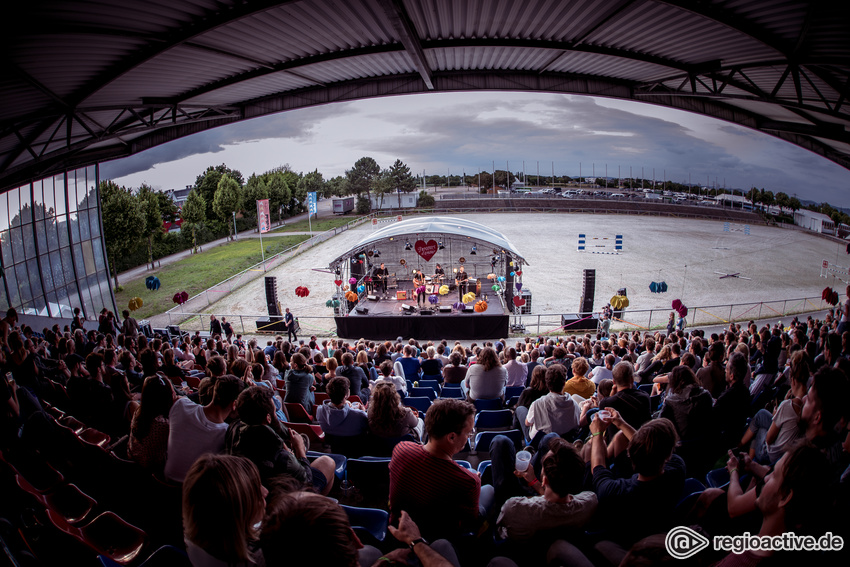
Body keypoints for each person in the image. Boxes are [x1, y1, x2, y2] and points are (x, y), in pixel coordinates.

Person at [389, 398, 491, 541]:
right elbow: (469, 520)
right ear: (451, 437)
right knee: (489, 490)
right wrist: (473, 483)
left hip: (399, 527)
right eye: (468, 433)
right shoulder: (469, 481)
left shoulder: (401, 449)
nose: (469, 437)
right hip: (438, 539)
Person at [590, 413, 685, 555]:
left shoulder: (614, 491)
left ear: (630, 453)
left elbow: (597, 467)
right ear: (668, 456)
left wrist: (597, 434)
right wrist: (621, 423)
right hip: (659, 526)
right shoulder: (677, 469)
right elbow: (651, 449)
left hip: (628, 544)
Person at [226, 386, 335, 494]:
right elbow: (307, 480)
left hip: (254, 488)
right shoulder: (279, 454)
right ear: (268, 418)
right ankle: (313, 502)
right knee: (328, 462)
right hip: (283, 496)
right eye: (274, 412)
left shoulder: (234, 428)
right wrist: (300, 450)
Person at [495, 437, 597, 543]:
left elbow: (500, 528)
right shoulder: (590, 501)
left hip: (520, 543)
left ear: (544, 480)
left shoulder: (513, 507)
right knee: (549, 437)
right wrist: (536, 483)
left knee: (501, 442)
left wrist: (535, 483)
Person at [182, 454, 266, 567]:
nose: (265, 492)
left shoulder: (195, 536)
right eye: (255, 491)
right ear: (236, 517)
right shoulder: (259, 558)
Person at [164, 375, 242, 483]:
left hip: (165, 484)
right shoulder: (226, 434)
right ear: (234, 404)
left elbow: (178, 400)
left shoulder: (180, 405)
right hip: (193, 495)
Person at [522, 364, 580, 444]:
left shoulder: (537, 404)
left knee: (520, 410)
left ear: (547, 383)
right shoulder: (574, 403)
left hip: (540, 441)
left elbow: (527, 423)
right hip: (566, 440)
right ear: (564, 384)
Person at [129, 375, 175, 473]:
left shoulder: (139, 412)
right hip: (152, 471)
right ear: (166, 397)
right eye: (172, 392)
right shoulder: (164, 425)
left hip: (133, 462)